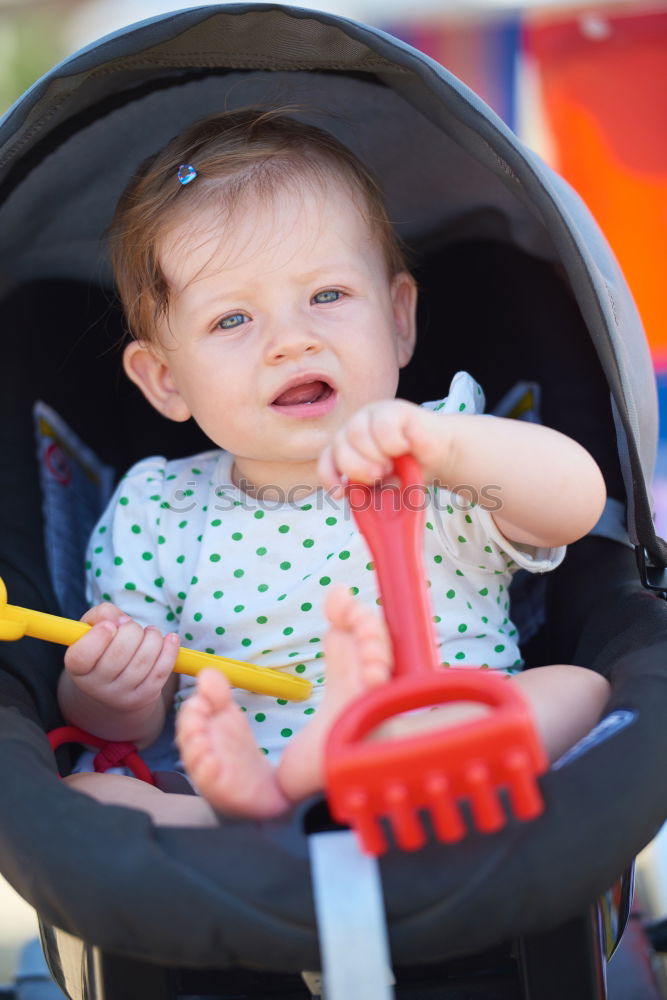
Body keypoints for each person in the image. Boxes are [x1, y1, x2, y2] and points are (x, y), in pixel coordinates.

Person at [60, 108, 610, 826]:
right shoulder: (157, 510)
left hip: (434, 735)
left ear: (398, 319)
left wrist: (447, 449)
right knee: (90, 799)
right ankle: (268, 806)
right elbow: (125, 728)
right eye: (232, 320)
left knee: (579, 688)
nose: (291, 341)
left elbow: (575, 502)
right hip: (237, 776)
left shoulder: (440, 453)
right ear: (165, 380)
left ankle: (328, 783)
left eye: (326, 296)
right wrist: (112, 689)